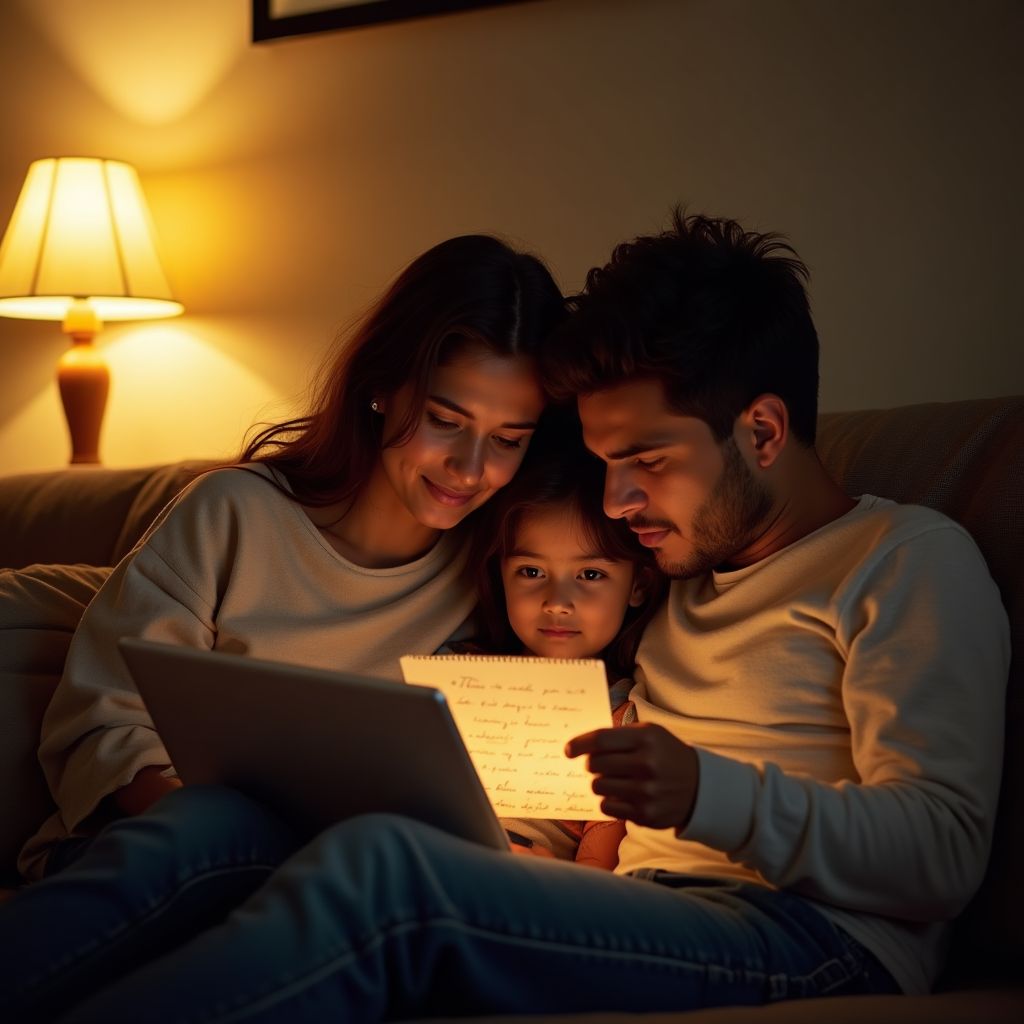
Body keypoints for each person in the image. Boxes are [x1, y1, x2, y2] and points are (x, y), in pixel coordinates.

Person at [8, 211, 1010, 1024]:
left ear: (760, 430)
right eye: (604, 464)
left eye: (646, 462)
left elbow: (942, 849)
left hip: (809, 937)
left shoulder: (904, 561)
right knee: (239, 826)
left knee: (385, 870)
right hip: (636, 902)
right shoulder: (661, 578)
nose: (616, 506)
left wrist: (707, 790)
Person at [0, 232, 565, 1020]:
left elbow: (528, 767)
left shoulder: (507, 573)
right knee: (225, 818)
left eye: (508, 440)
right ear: (383, 390)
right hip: (163, 849)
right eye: (446, 420)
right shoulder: (234, 515)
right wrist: (208, 809)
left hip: (341, 893)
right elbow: (101, 716)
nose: (471, 468)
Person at [459, 436, 666, 867]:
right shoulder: (456, 674)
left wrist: (547, 874)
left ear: (639, 585)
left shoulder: (622, 719)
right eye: (531, 571)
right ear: (501, 575)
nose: (557, 601)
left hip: (531, 885)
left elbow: (598, 867)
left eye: (590, 574)